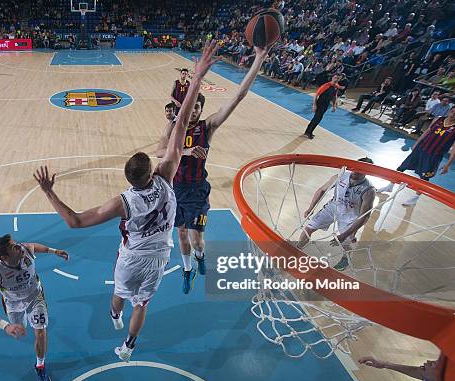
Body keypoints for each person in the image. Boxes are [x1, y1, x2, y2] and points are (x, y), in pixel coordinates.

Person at [33, 41, 221, 361]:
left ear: (129, 179)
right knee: (142, 304)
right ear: (153, 170)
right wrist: (198, 79)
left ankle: (114, 316)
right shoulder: (165, 180)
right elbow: (179, 130)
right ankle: (129, 347)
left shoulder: (123, 202)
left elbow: (74, 221)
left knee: (119, 293)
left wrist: (49, 191)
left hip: (132, 257)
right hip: (160, 257)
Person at [156, 45, 269, 294]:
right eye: (191, 106)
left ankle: (200, 257)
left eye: (198, 106)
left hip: (197, 191)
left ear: (201, 109)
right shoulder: (173, 128)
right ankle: (187, 271)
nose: (194, 109)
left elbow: (238, 97)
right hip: (175, 191)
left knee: (197, 239)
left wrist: (258, 58)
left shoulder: (208, 127)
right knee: (182, 235)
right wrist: (181, 152)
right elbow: (158, 152)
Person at [0, 234, 69, 381]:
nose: (19, 247)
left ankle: (40, 365)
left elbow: (34, 246)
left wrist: (54, 251)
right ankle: (16, 319)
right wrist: (5, 326)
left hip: (35, 297)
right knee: (20, 328)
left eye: (16, 243)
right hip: (13, 304)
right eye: (13, 247)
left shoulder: (25, 249)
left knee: (40, 332)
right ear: (4, 257)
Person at [297, 158, 376, 270]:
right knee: (308, 228)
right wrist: (311, 208)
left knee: (346, 242)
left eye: (360, 170)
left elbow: (364, 216)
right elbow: (322, 190)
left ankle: (345, 259)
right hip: (333, 207)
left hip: (351, 216)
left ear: (367, 172)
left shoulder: (369, 190)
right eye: (354, 168)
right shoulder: (340, 176)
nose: (355, 171)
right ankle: (297, 248)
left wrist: (345, 234)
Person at [378, 106, 455, 206]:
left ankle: (415, 198)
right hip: (421, 149)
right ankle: (390, 185)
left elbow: (454, 147)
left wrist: (448, 164)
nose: (453, 115)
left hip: (434, 155)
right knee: (402, 167)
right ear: (449, 111)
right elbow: (427, 132)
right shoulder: (439, 119)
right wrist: (417, 143)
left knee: (424, 177)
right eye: (452, 111)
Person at [303, 74, 343, 139]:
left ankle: (309, 131)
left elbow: (334, 96)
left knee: (318, 119)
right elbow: (316, 95)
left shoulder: (337, 86)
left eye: (338, 78)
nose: (336, 79)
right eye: (335, 78)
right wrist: (314, 105)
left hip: (326, 104)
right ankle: (308, 132)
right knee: (317, 118)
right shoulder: (326, 86)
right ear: (332, 78)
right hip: (320, 103)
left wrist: (334, 105)